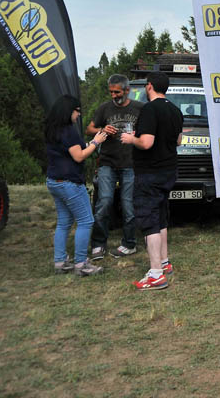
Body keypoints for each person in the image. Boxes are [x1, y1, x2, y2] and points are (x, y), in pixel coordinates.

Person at [121, 71, 183, 290]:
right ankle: (164, 262)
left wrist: (131, 139)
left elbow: (146, 143)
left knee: (149, 221)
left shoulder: (149, 109)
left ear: (149, 86)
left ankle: (156, 274)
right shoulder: (175, 110)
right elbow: (178, 140)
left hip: (150, 173)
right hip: (168, 171)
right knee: (160, 217)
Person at [44, 95, 107, 276]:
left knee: (64, 222)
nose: (78, 115)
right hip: (69, 183)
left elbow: (71, 150)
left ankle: (60, 262)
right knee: (86, 221)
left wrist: (88, 144)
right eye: (77, 111)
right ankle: (81, 264)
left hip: (54, 181)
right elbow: (79, 156)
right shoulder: (68, 131)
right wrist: (96, 142)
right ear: (68, 111)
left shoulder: (52, 129)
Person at [87, 74, 143, 260]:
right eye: (111, 92)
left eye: (117, 92)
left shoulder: (139, 108)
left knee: (128, 205)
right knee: (104, 202)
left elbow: (148, 131)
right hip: (107, 162)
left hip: (131, 163)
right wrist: (102, 130)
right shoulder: (104, 108)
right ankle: (98, 244)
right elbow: (89, 129)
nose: (113, 95)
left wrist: (137, 134)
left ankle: (129, 243)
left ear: (127, 90)